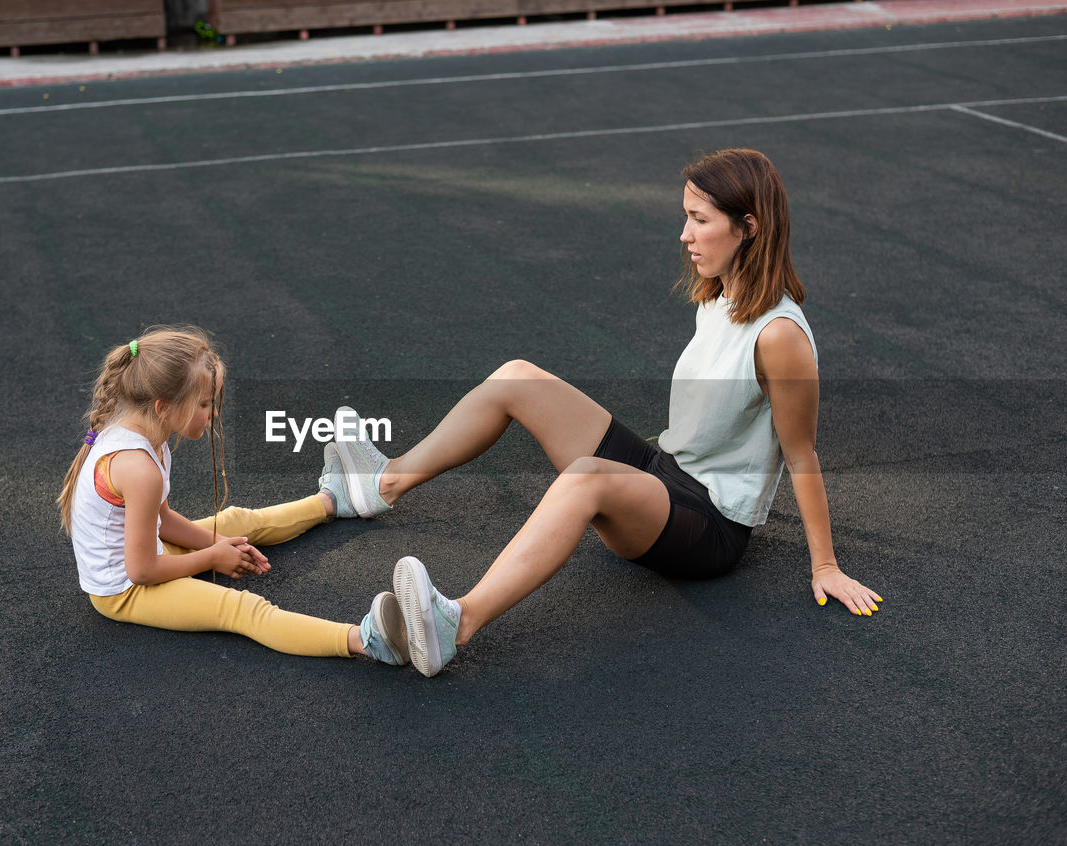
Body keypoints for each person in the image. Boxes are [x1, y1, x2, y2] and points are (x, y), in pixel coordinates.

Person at [325, 149, 883, 677]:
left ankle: (456, 623)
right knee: (518, 377)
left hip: (710, 524)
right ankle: (383, 484)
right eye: (685, 216)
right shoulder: (720, 295)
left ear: (749, 226)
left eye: (699, 219)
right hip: (665, 471)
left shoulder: (779, 336)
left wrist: (825, 566)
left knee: (584, 479)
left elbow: (800, 450)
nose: (684, 234)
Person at [57, 326, 409, 666]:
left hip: (146, 555)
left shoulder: (146, 433)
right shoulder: (139, 469)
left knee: (236, 521)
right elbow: (143, 571)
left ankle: (336, 499)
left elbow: (161, 521)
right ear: (164, 406)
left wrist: (221, 543)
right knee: (242, 609)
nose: (213, 414)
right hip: (122, 592)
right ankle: (367, 641)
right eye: (205, 404)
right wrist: (212, 557)